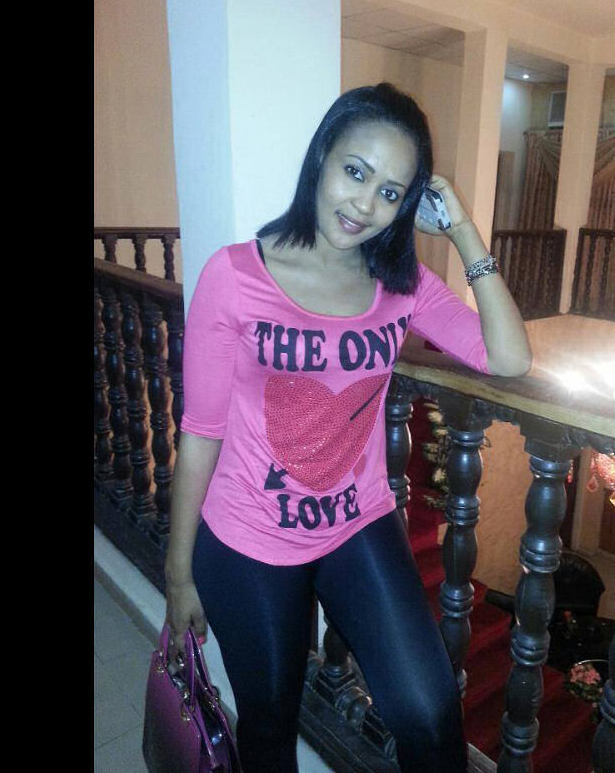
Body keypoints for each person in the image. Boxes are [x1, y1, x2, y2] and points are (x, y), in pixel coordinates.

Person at [164, 82, 532, 773]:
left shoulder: (402, 285)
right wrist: (179, 571)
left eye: (391, 192)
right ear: (323, 156)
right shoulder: (235, 276)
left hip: (357, 520)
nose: (364, 205)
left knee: (429, 711)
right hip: (249, 537)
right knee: (270, 728)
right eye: (356, 173)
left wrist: (463, 231)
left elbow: (509, 357)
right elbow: (202, 431)